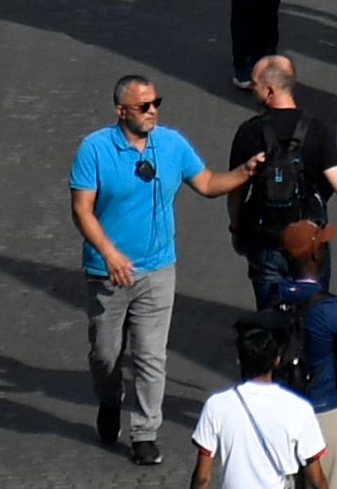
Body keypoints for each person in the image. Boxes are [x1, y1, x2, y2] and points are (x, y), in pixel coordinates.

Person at [71, 73, 268, 467]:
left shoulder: (171, 144)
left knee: (150, 355)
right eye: (143, 106)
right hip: (107, 273)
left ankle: (145, 432)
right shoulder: (94, 149)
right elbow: (81, 209)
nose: (152, 111)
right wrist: (109, 253)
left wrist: (244, 173)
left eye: (156, 102)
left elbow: (209, 183)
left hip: (159, 269)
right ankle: (110, 400)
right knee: (104, 355)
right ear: (120, 110)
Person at [224, 58, 337, 306]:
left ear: (270, 91)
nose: (252, 89)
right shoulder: (315, 129)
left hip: (265, 240)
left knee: (268, 318)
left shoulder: (249, 132)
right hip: (308, 241)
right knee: (314, 315)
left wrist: (237, 231)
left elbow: (236, 193)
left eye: (255, 84)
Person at [258, 218, 337, 489]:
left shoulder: (273, 299)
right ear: (314, 253)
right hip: (326, 415)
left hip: (282, 416)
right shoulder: (332, 310)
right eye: (322, 244)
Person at [184, 314, 330, 489]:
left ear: (239, 360)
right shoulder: (299, 408)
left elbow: (202, 478)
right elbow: (317, 479)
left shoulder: (216, 405)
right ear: (276, 360)